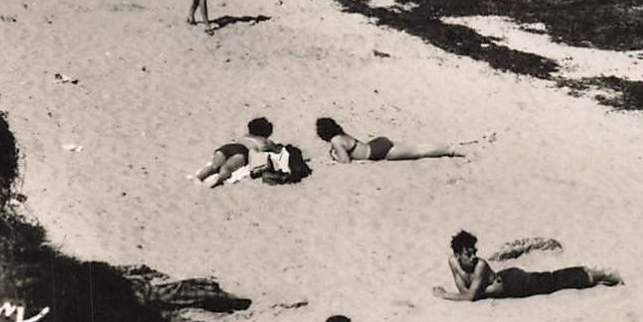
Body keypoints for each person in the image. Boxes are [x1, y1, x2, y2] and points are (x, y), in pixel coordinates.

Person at [434, 231, 621, 302]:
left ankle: (592, 274)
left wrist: (444, 295)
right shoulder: (452, 261)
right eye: (468, 254)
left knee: (551, 281)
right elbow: (464, 289)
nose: (474, 256)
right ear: (457, 255)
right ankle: (588, 273)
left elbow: (469, 296)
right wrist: (485, 291)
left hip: (514, 282)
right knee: (549, 280)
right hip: (505, 282)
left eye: (474, 251)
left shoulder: (480, 266)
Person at [313, 117, 472, 163]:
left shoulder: (335, 141)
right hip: (375, 143)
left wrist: (334, 156)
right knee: (416, 146)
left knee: (418, 152)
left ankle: (452, 151)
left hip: (377, 152)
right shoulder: (341, 134)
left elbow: (345, 161)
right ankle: (449, 146)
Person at [193, 118, 279, 187]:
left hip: (227, 147)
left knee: (214, 166)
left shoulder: (245, 136)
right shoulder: (265, 141)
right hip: (242, 151)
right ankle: (218, 179)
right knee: (227, 168)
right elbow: (276, 149)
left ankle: (199, 177)